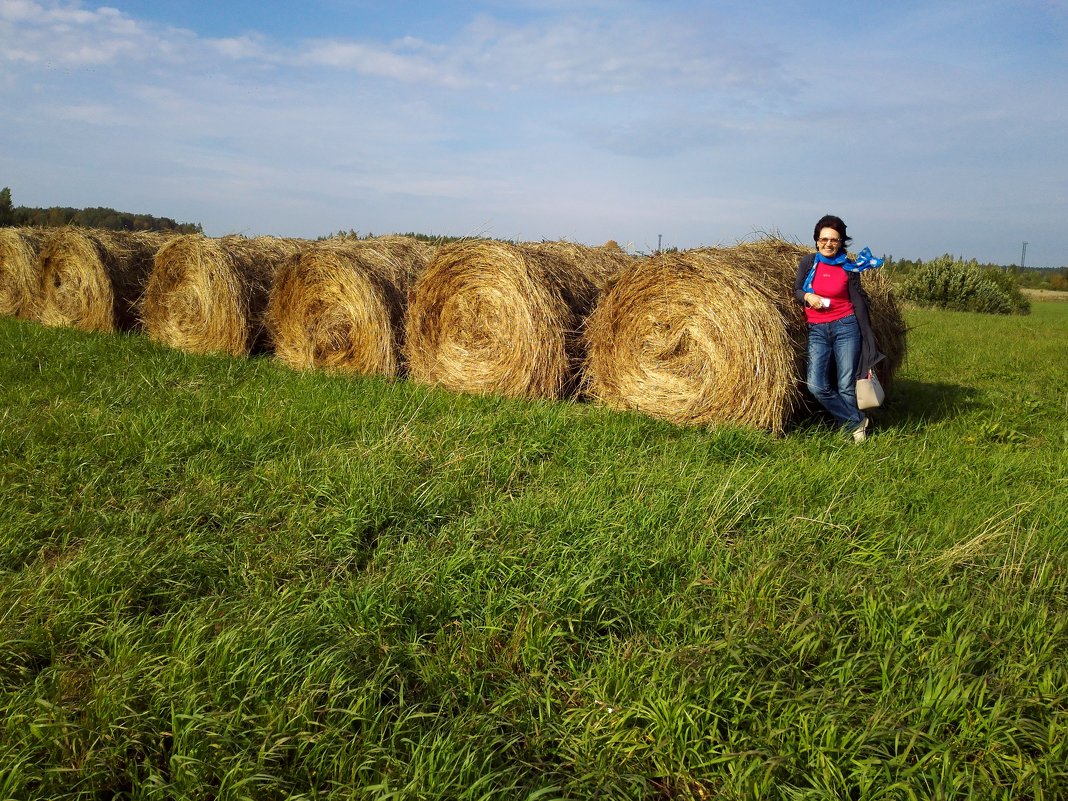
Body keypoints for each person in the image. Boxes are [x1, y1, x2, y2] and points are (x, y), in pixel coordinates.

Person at [793, 214, 884, 443]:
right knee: (816, 385)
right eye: (824, 239)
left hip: (846, 326)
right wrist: (807, 296)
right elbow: (796, 291)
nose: (828, 243)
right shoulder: (809, 263)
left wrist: (867, 335)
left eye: (834, 239)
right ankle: (857, 419)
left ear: (841, 242)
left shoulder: (848, 267)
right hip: (818, 329)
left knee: (845, 385)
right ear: (816, 240)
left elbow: (858, 300)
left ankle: (851, 433)